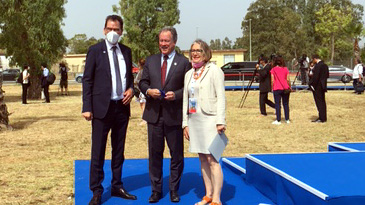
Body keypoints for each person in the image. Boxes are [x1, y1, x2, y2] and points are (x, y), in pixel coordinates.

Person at [82, 15, 136, 205]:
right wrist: (87, 107)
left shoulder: (127, 52)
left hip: (121, 108)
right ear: (104, 30)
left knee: (118, 150)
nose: (113, 32)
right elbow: (87, 80)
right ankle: (96, 190)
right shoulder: (95, 51)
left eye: (117, 29)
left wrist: (132, 89)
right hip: (100, 109)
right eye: (109, 29)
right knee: (98, 150)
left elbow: (130, 78)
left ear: (121, 31)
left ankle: (117, 185)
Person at [138, 26, 191, 203]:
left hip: (174, 116)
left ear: (174, 42)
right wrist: (148, 91)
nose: (163, 44)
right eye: (161, 40)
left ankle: (174, 189)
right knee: (154, 154)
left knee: (176, 155)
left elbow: (189, 88)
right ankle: (156, 190)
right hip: (153, 115)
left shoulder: (184, 63)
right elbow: (142, 82)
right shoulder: (151, 61)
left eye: (166, 41)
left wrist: (176, 95)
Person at [182, 39, 226, 205]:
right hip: (195, 120)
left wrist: (220, 121)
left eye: (199, 50)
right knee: (202, 159)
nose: (195, 53)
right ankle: (208, 194)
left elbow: (221, 96)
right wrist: (184, 123)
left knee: (213, 160)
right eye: (192, 50)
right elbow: (185, 101)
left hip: (211, 120)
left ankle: (217, 198)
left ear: (206, 53)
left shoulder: (214, 70)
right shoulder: (188, 74)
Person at [270, 56, 291, 125]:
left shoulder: (273, 69)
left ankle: (278, 119)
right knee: (285, 104)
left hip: (276, 88)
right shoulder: (285, 69)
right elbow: (288, 79)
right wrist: (289, 86)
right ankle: (287, 119)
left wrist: (271, 87)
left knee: (277, 104)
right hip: (285, 88)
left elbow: (272, 80)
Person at [308, 54, 329, 123]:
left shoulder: (317, 66)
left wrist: (311, 84)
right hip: (323, 86)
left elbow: (315, 77)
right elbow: (327, 75)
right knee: (323, 102)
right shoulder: (325, 65)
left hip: (317, 87)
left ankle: (321, 118)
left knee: (319, 102)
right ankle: (323, 116)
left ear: (314, 59)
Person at [134, 58, 147, 125]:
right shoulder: (145, 71)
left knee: (143, 104)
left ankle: (144, 119)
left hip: (143, 90)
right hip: (143, 90)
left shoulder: (141, 71)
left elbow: (137, 80)